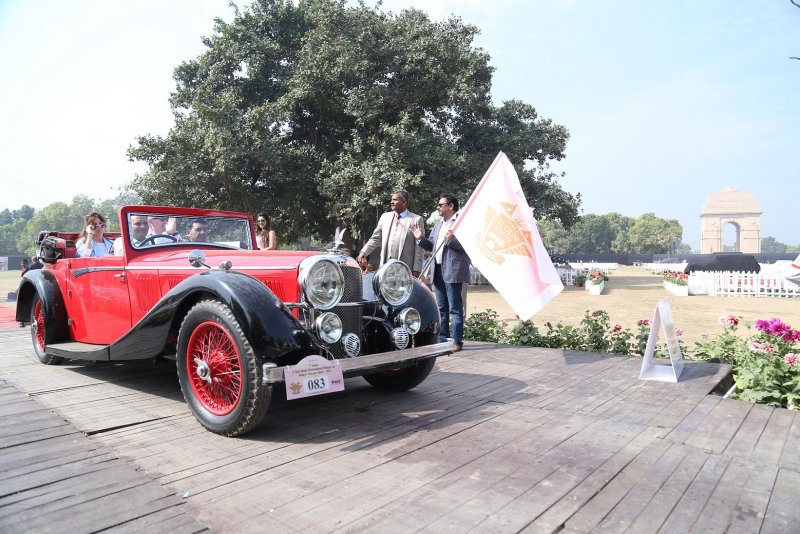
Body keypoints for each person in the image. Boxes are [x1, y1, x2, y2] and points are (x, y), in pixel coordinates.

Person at [411, 193, 470, 352]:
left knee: (455, 309)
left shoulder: (460, 224)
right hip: (437, 270)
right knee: (441, 308)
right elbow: (433, 246)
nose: (438, 207)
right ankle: (443, 338)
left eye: (441, 205)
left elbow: (467, 245)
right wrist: (420, 239)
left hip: (453, 271)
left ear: (451, 206)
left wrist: (451, 239)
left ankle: (457, 341)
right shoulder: (438, 225)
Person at [357, 191, 425, 276]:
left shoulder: (416, 219)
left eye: (395, 200)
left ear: (404, 202)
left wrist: (417, 269)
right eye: (391, 199)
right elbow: (375, 238)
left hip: (405, 269)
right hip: (386, 268)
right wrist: (363, 252)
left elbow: (419, 247)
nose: (391, 202)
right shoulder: (385, 217)